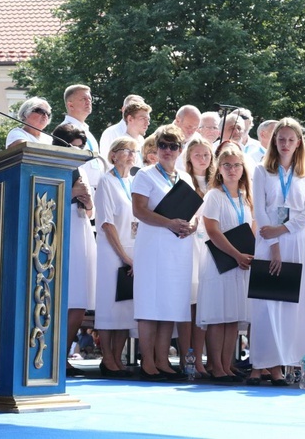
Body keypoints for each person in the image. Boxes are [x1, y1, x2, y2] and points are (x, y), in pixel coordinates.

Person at [247, 117, 305, 386]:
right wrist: (274, 243)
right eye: (281, 139)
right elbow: (260, 209)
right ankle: (262, 364)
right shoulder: (262, 171)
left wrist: (283, 231)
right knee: (266, 305)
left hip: (295, 241)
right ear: (274, 142)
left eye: (290, 139)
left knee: (291, 306)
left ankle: (284, 365)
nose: (285, 144)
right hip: (267, 241)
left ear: (298, 142)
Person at [132, 124, 197, 381]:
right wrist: (168, 223)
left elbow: (192, 212)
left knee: (170, 304)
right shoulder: (145, 175)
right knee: (150, 304)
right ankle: (147, 360)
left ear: (180, 150)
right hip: (153, 247)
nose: (167, 150)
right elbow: (139, 211)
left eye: (173, 146)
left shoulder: (185, 178)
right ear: (155, 148)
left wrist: (191, 226)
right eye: (163, 145)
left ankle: (162, 360)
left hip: (178, 248)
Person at [196, 143, 254, 382]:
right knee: (218, 317)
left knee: (232, 317)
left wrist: (247, 255)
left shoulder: (244, 197)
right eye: (227, 165)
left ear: (243, 169)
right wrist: (236, 254)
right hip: (221, 261)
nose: (232, 170)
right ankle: (216, 365)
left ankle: (227, 364)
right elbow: (213, 230)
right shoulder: (214, 195)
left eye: (236, 165)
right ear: (219, 169)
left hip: (240, 264)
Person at [51, 123, 97, 377]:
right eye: (74, 147)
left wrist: (88, 201)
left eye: (81, 148)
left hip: (81, 230)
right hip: (61, 231)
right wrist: (70, 192)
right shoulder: (51, 165)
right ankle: (53, 355)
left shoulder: (82, 171)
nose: (78, 153)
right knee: (62, 298)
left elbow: (90, 212)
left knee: (79, 301)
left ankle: (64, 354)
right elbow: (42, 201)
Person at [94, 137, 139, 378]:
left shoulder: (133, 181)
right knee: (110, 306)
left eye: (134, 150)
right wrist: (123, 256)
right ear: (113, 155)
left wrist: (134, 256)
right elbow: (107, 223)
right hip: (113, 252)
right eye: (126, 150)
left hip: (132, 249)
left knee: (126, 306)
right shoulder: (106, 181)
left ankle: (118, 357)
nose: (131, 154)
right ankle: (107, 358)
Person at [181, 134, 216, 378]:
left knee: (204, 306)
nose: (202, 159)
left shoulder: (216, 182)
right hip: (188, 245)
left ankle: (203, 360)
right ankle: (186, 357)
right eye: (197, 155)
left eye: (206, 154)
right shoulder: (184, 181)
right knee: (188, 305)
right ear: (189, 158)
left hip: (210, 246)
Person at [60, 84, 105, 191]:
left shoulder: (88, 132)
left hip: (95, 191)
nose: (88, 101)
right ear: (70, 105)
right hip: (76, 194)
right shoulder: (63, 131)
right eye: (83, 99)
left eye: (90, 98)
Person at [99, 94, 145, 159]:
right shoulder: (111, 133)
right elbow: (107, 162)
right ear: (123, 109)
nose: (135, 111)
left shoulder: (141, 139)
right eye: (132, 108)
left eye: (139, 109)